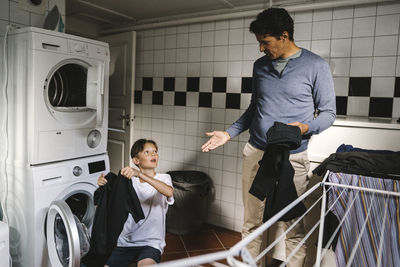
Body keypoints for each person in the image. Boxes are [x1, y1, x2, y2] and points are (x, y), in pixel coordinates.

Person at [201, 7, 336, 267]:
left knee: (292, 223)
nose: (262, 48)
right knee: (252, 222)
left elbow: (329, 113)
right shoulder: (260, 66)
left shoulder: (316, 65)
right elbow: (255, 108)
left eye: (265, 42)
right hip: (256, 152)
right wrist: (228, 134)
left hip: (292, 157)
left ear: (284, 35)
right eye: (260, 42)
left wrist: (304, 128)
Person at [98, 139, 174, 267]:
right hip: (126, 241)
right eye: (147, 152)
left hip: (151, 243)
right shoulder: (129, 182)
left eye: (155, 152)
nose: (153, 154)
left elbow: (169, 192)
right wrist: (103, 185)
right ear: (136, 160)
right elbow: (109, 205)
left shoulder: (164, 178)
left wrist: (139, 174)